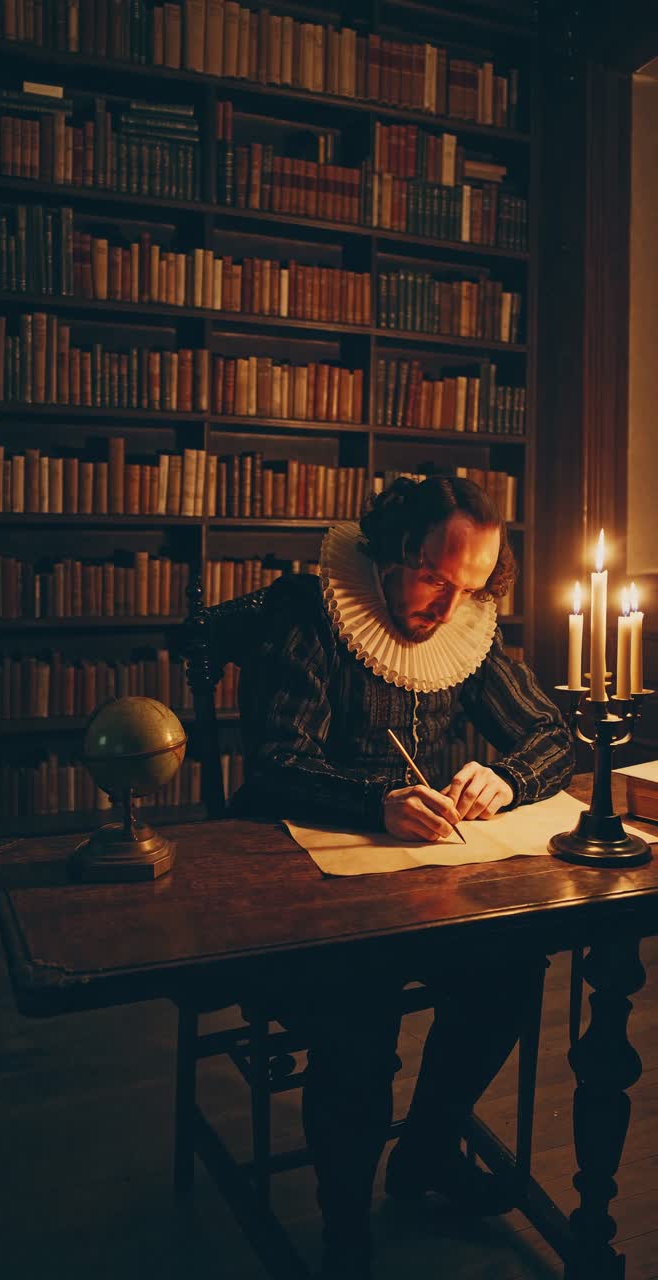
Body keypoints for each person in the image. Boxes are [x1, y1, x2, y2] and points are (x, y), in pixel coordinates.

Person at [232, 475, 575, 1279]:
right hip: (318, 893)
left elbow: (553, 735)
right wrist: (373, 801)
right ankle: (345, 1227)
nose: (448, 608)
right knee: (357, 1029)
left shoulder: (465, 629)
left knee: (510, 975)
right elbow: (274, 765)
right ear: (393, 549)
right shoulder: (316, 614)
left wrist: (508, 778)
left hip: (431, 888)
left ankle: (424, 1149)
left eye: (470, 588)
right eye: (432, 578)